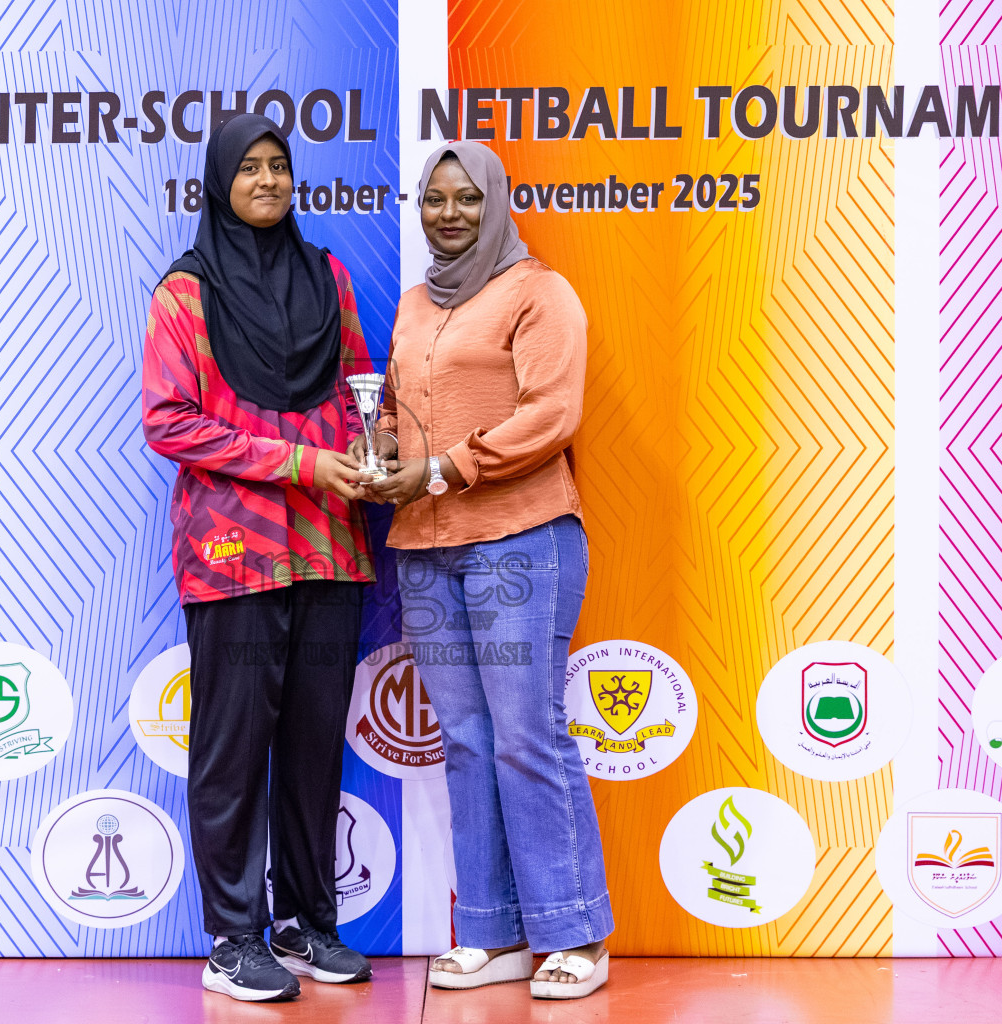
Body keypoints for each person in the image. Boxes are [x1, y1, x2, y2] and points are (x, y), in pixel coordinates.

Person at [361, 140, 613, 1000]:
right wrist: (382, 448)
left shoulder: (538, 292)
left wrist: (441, 468)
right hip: (427, 549)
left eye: (467, 198)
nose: (450, 213)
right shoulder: (413, 303)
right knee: (465, 743)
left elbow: (554, 413)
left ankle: (575, 931)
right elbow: (395, 407)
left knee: (526, 736)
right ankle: (494, 934)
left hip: (519, 539)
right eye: (435, 199)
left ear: (496, 201)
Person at [141, 112, 375, 1003]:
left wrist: (374, 450)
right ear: (221, 183)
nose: (270, 182)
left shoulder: (330, 277)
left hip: (331, 550)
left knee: (315, 747)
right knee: (233, 750)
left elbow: (360, 392)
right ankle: (233, 937)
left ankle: (307, 922)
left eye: (280, 166)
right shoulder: (186, 294)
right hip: (233, 552)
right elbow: (170, 421)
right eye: (252, 169)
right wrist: (302, 463)